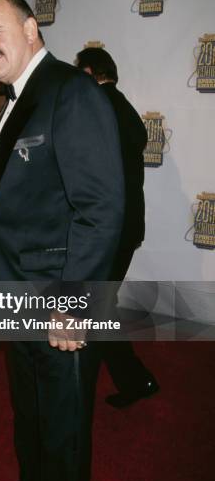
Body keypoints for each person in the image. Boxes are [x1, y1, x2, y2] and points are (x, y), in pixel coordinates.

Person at [0, 0, 125, 481]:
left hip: (60, 293)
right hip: (18, 294)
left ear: (32, 28)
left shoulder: (72, 92)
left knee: (64, 422)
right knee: (31, 408)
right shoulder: (18, 98)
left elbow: (100, 207)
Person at [76, 46, 159, 408]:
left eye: (80, 74)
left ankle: (131, 380)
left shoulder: (101, 108)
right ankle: (135, 380)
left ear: (92, 73)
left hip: (110, 228)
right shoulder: (120, 106)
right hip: (122, 226)